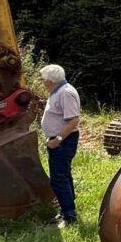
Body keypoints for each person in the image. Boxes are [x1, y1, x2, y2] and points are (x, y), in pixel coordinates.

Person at [39, 64, 81, 227]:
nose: (43, 83)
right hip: (59, 140)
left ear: (51, 80)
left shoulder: (65, 93)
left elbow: (73, 120)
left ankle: (69, 216)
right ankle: (66, 211)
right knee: (63, 175)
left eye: (44, 80)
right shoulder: (57, 91)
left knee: (59, 178)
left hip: (63, 141)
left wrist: (57, 139)